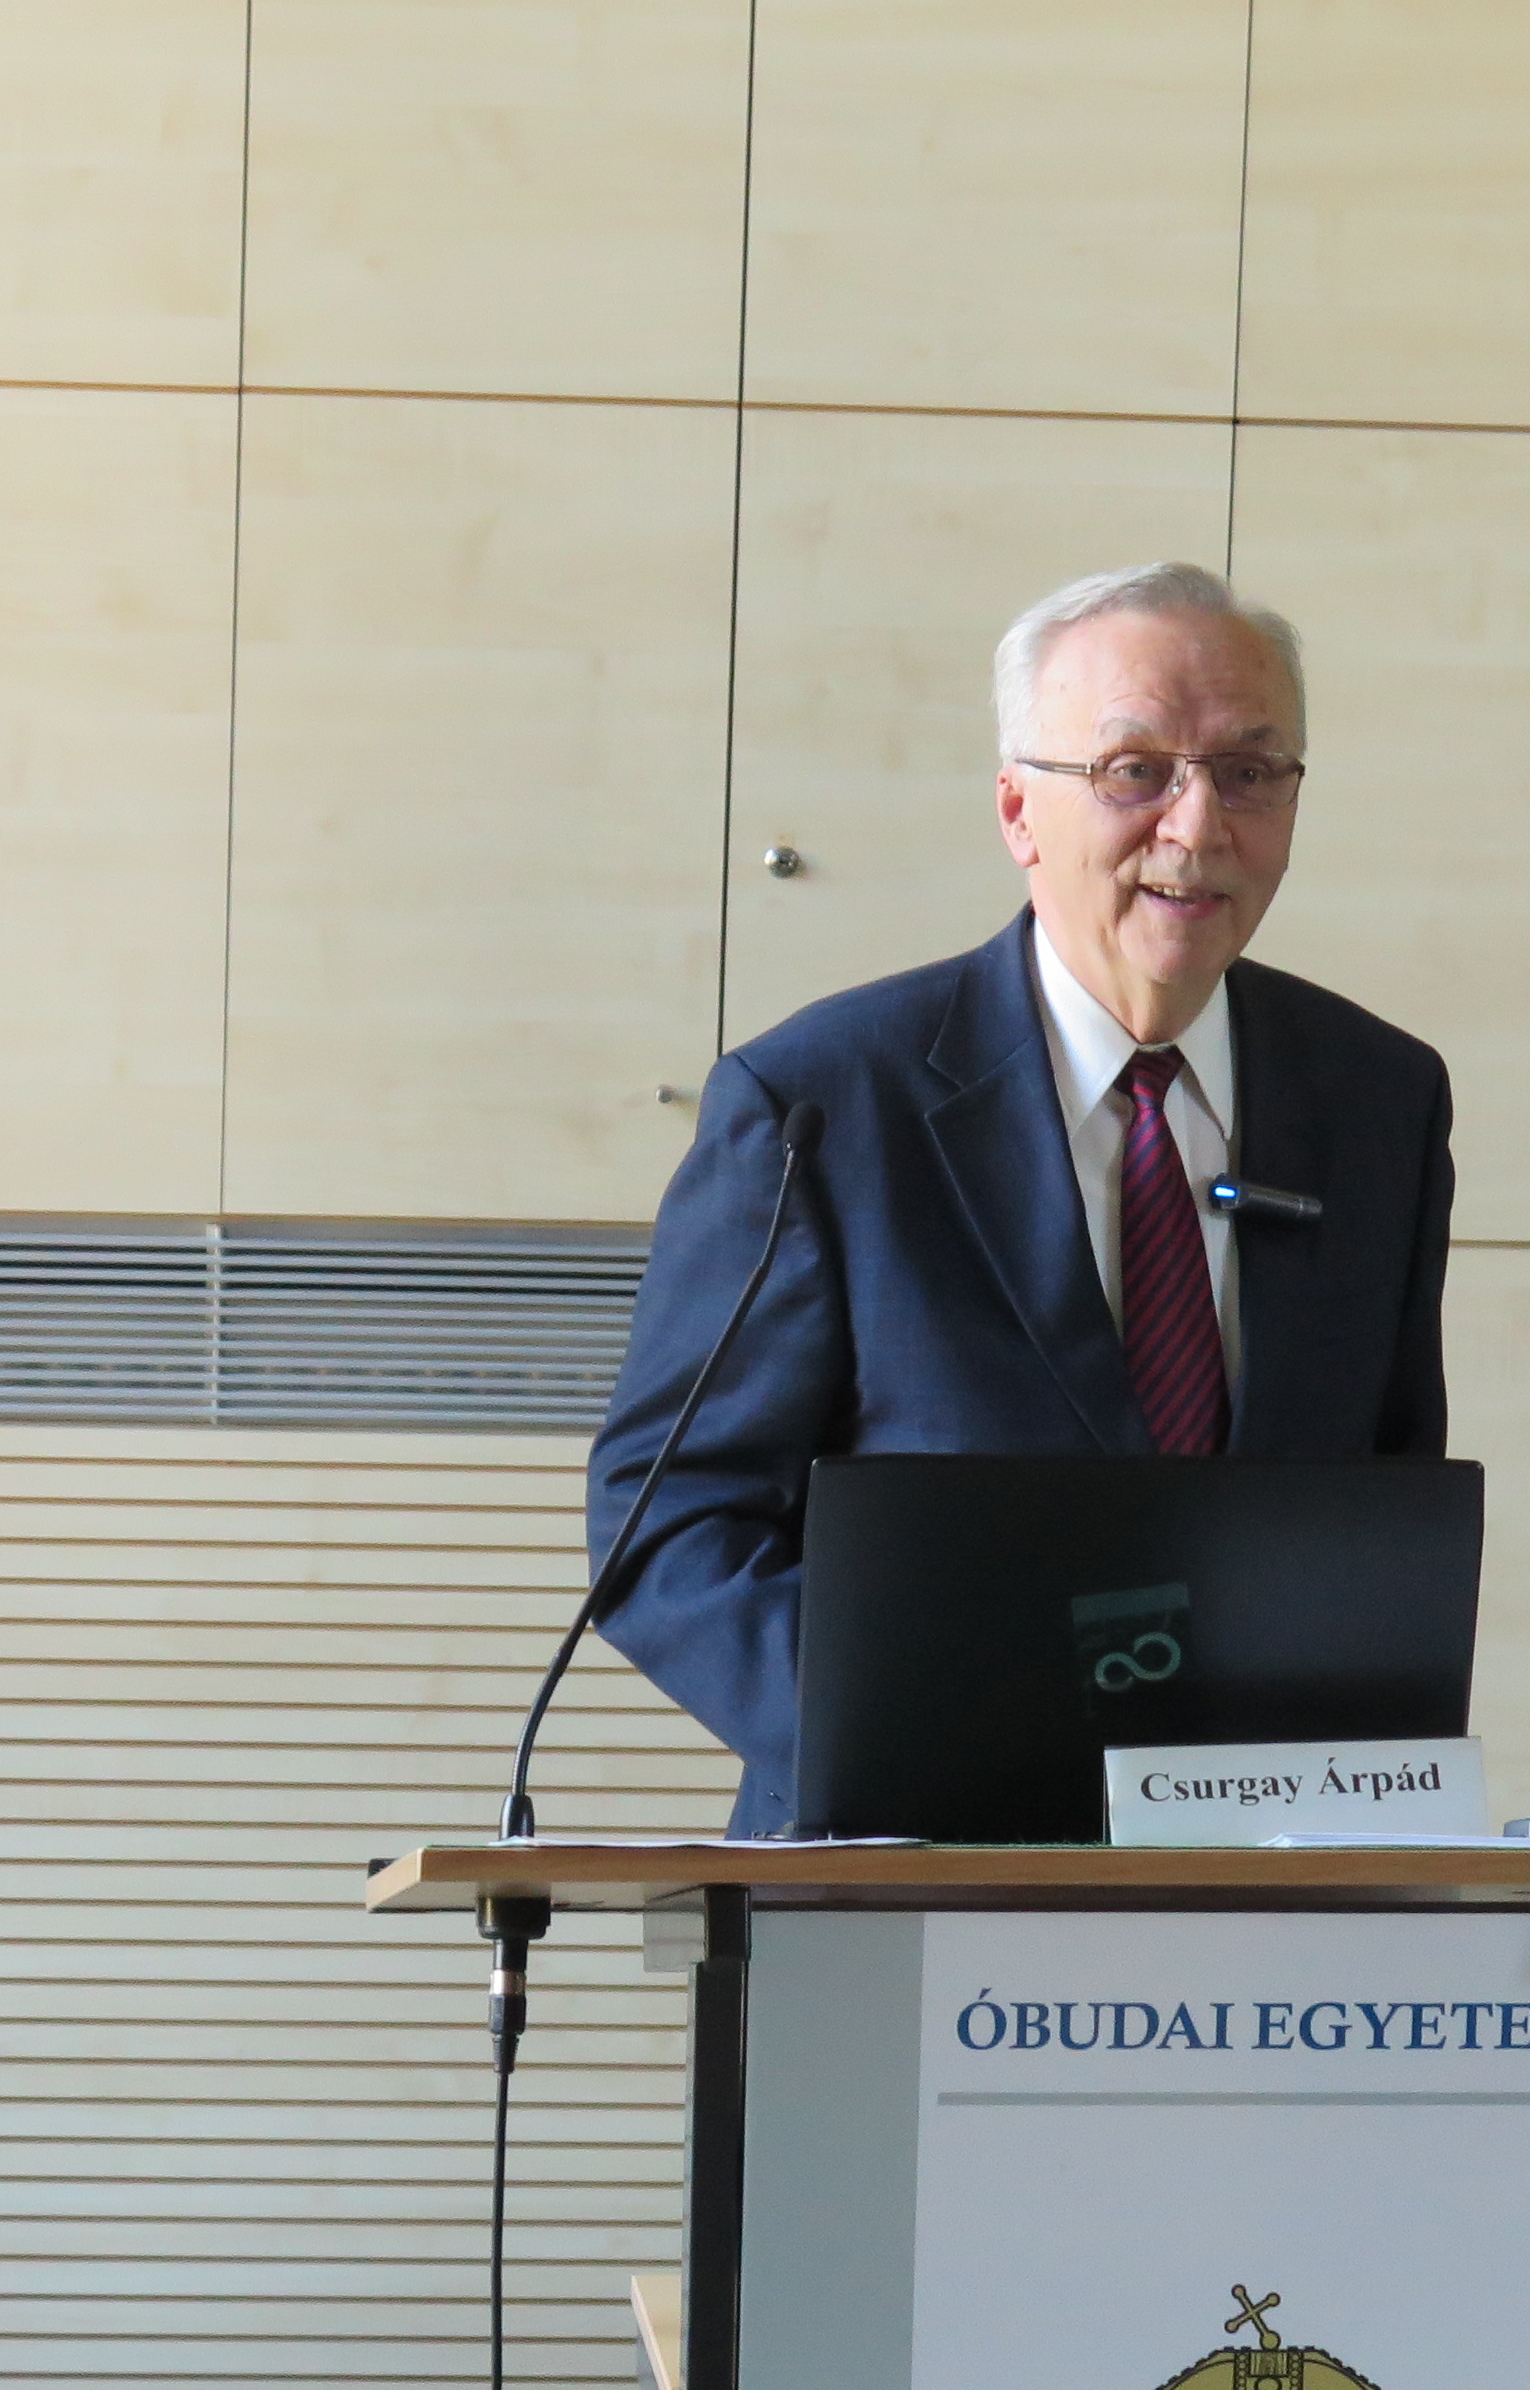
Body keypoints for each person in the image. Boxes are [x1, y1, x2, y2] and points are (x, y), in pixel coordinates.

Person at [587, 560, 1454, 1833]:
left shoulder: (1379, 1101)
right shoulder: (822, 1103)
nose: (1198, 825)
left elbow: (1386, 1512)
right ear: (1017, 811)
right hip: (904, 1870)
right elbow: (667, 1526)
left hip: (1261, 1882)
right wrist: (925, 1738)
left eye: (1249, 772)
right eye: (1135, 771)